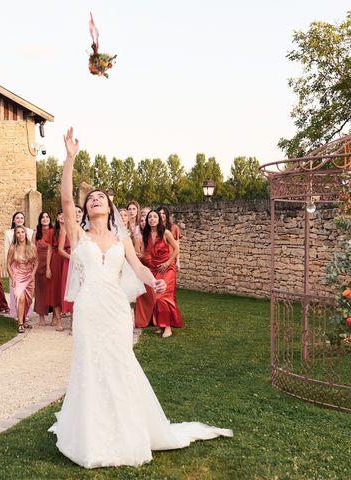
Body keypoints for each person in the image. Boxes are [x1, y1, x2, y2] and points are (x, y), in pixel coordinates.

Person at [48, 127, 232, 468]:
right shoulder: (78, 234)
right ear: (86, 210)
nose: (96, 200)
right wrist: (70, 159)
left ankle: (125, 429)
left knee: (119, 364)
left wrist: (155, 283)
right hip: (88, 308)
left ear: (110, 207)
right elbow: (64, 200)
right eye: (91, 199)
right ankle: (92, 434)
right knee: (90, 365)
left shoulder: (122, 241)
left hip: (116, 309)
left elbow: (139, 267)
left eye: (101, 197)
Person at [141, 209, 183, 338]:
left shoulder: (166, 233)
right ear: (147, 221)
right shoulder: (146, 235)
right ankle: (161, 325)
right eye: (150, 217)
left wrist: (167, 263)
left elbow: (176, 249)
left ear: (159, 219)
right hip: (154, 269)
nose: (152, 219)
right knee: (156, 297)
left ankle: (168, 327)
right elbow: (144, 253)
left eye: (155, 216)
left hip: (168, 268)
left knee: (162, 297)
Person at [7, 225, 38, 333]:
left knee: (28, 301)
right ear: (15, 235)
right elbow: (8, 264)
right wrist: (13, 278)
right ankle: (20, 324)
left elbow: (36, 262)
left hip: (29, 276)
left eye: (22, 232)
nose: (20, 234)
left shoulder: (32, 247)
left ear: (25, 234)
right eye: (18, 232)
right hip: (18, 276)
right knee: (21, 298)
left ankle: (23, 320)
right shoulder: (13, 248)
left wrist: (33, 274)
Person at [47, 211, 65, 331]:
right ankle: (58, 321)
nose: (62, 217)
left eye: (65, 214)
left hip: (68, 260)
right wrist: (48, 267)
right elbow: (49, 250)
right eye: (60, 215)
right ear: (57, 218)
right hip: (56, 261)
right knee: (56, 290)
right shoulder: (52, 232)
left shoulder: (73, 230)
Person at [34, 212, 53, 326]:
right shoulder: (36, 233)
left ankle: (55, 317)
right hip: (39, 263)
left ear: (50, 219)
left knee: (52, 290)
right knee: (40, 291)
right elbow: (32, 249)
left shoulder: (53, 232)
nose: (45, 219)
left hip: (51, 262)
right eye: (42, 217)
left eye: (47, 217)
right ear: (40, 220)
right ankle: (41, 318)